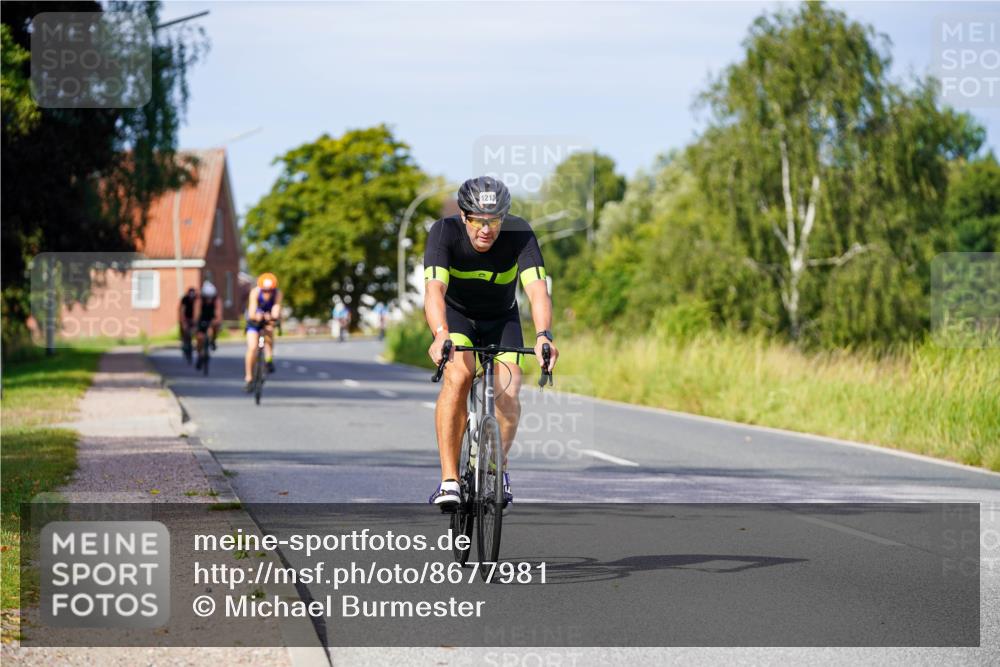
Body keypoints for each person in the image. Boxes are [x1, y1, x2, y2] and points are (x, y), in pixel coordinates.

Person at [424, 176, 559, 511]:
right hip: (456, 318)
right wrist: (440, 333)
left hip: (502, 319)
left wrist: (544, 334)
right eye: (479, 221)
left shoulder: (520, 233)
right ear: (463, 216)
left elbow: (537, 290)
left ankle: (495, 468)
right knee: (459, 376)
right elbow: (434, 291)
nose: (487, 229)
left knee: (508, 392)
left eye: (495, 220)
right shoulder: (444, 232)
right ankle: (449, 481)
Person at [244, 272, 282, 392]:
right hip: (254, 321)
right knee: (252, 347)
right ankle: (249, 377)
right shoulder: (255, 292)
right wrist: (257, 316)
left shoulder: (278, 293)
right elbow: (251, 311)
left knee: (270, 330)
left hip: (268, 319)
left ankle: (268, 358)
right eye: (265, 291)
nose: (267, 293)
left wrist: (273, 316)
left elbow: (276, 307)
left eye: (270, 290)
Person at [195, 280, 222, 369]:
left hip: (212, 318)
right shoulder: (199, 300)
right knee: (199, 338)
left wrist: (216, 321)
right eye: (207, 297)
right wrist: (196, 323)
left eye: (211, 297)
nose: (209, 300)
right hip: (202, 318)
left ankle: (213, 340)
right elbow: (196, 313)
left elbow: (218, 314)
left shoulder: (216, 300)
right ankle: (199, 355)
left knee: (214, 327)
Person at [178, 287, 198, 362]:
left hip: (193, 318)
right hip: (185, 318)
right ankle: (184, 344)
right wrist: (183, 323)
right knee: (185, 332)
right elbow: (182, 311)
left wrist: (196, 321)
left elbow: (197, 310)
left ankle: (194, 345)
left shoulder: (197, 299)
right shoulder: (184, 299)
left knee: (194, 331)